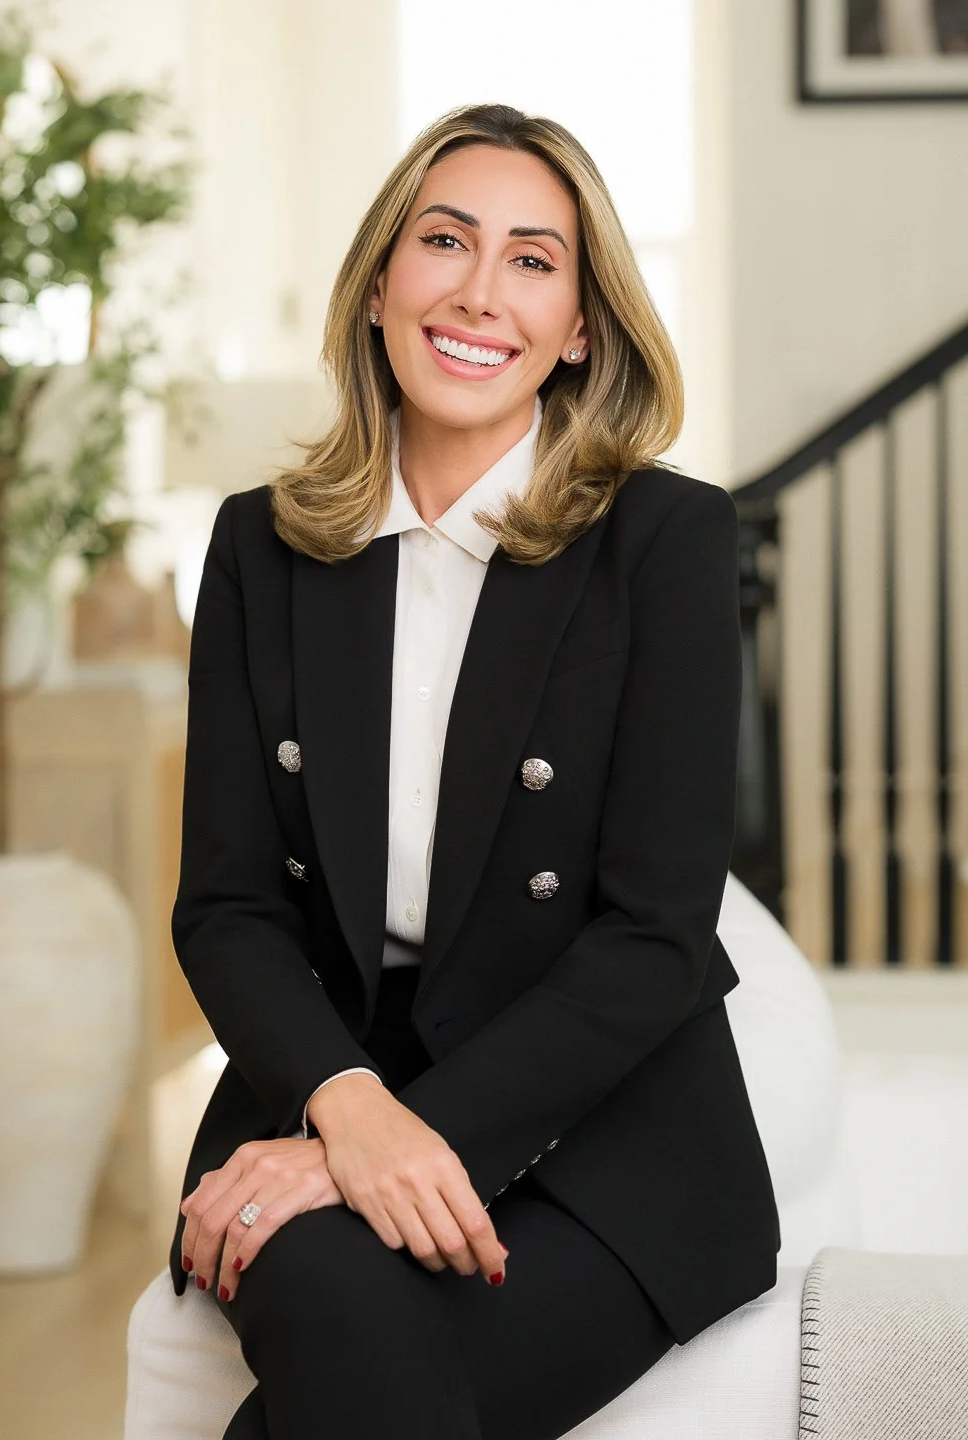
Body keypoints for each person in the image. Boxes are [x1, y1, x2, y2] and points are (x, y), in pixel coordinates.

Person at [168, 101, 780, 1440]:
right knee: (331, 1298)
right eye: (445, 240)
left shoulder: (665, 540)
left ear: (580, 329)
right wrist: (347, 1114)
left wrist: (407, 1136)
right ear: (381, 281)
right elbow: (227, 907)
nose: (477, 290)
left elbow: (656, 933)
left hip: (605, 1131)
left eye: (532, 260)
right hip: (329, 1073)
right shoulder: (258, 549)